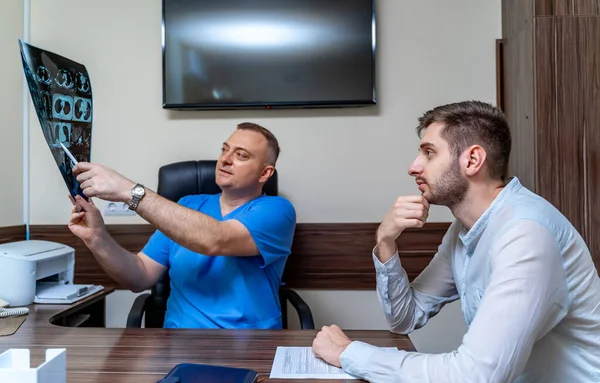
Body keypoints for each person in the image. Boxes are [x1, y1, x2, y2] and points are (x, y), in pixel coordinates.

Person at [312, 101, 600, 382]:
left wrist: (350, 354)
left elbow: (477, 375)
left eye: (429, 153)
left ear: (472, 160)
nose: (413, 167)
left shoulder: (525, 232)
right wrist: (385, 241)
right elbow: (405, 318)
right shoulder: (462, 232)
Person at [67, 122, 296, 329]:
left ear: (265, 173)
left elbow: (216, 239)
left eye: (241, 155)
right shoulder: (186, 207)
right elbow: (139, 276)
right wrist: (97, 238)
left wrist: (129, 191)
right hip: (180, 343)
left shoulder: (277, 211)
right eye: (224, 149)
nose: (225, 159)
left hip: (251, 345)